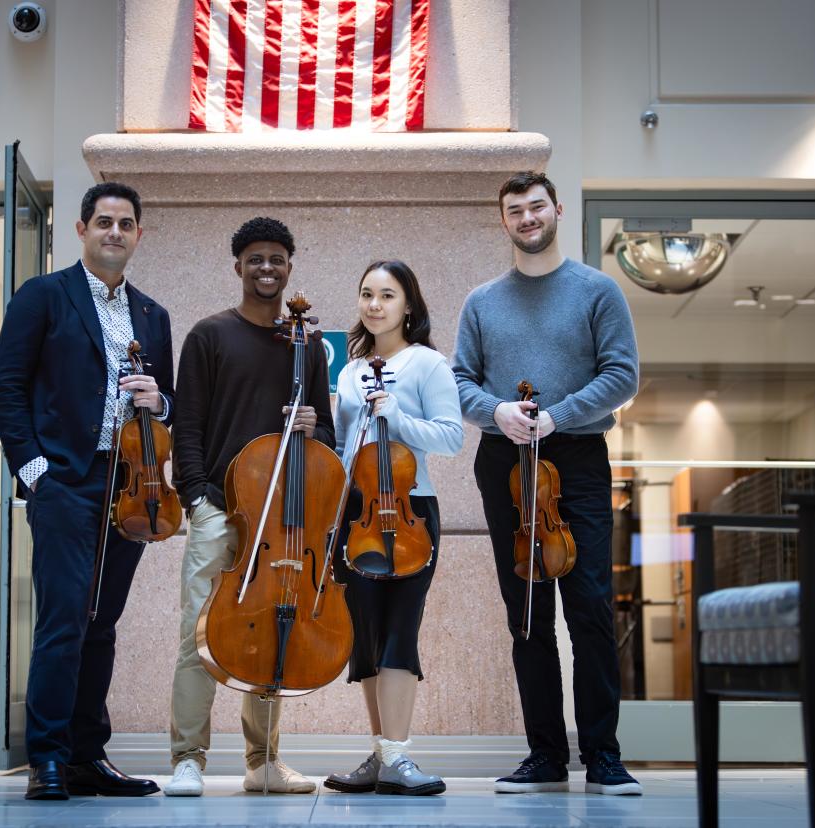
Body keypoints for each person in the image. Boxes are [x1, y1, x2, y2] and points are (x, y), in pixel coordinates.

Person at [452, 171, 643, 796]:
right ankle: (545, 756)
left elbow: (622, 375)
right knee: (527, 612)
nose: (527, 218)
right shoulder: (481, 301)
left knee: (588, 607)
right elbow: (460, 382)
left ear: (557, 210)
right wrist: (497, 412)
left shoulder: (598, 291)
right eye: (515, 211)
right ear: (502, 220)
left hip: (579, 454)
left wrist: (559, 413)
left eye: (537, 207)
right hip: (505, 459)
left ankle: (604, 754)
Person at [0, 182, 173, 800]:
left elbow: (168, 404)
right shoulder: (43, 296)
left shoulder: (152, 314)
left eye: (125, 223)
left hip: (132, 487)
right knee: (64, 620)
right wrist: (34, 472)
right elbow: (6, 388)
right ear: (81, 230)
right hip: (65, 480)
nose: (114, 232)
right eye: (103, 222)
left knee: (104, 622)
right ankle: (47, 757)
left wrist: (161, 401)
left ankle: (88, 756)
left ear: (139, 235)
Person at [165, 217, 335, 797]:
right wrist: (195, 496)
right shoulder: (209, 336)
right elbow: (187, 423)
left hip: (281, 520)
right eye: (256, 259)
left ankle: (263, 761)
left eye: (277, 260)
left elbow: (327, 440)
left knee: (271, 632)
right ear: (238, 266)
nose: (267, 269)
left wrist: (313, 426)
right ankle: (188, 757)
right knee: (200, 633)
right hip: (218, 504)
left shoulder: (306, 343)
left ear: (291, 266)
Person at [322, 261, 463, 796]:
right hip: (356, 511)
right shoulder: (351, 370)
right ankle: (383, 757)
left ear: (409, 305)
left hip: (411, 509)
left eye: (387, 295)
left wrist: (397, 416)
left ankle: (399, 757)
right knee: (367, 636)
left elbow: (450, 438)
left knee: (402, 629)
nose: (375, 304)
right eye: (366, 294)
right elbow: (344, 447)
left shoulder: (429, 364)